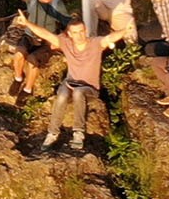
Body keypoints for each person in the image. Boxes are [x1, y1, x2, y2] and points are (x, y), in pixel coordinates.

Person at [13, 9, 111, 151]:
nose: (79, 35)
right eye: (75, 32)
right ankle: (52, 133)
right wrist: (28, 23)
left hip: (89, 88)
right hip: (70, 83)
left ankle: (78, 133)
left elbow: (109, 38)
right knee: (62, 95)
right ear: (70, 34)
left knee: (78, 92)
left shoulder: (95, 43)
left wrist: (125, 30)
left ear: (85, 30)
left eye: (81, 31)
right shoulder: (66, 43)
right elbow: (46, 34)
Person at [0, 0, 68, 96]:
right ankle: (18, 78)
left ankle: (28, 89)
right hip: (29, 36)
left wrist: (60, 41)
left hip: (46, 41)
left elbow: (68, 23)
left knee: (33, 61)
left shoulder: (57, 4)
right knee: (19, 55)